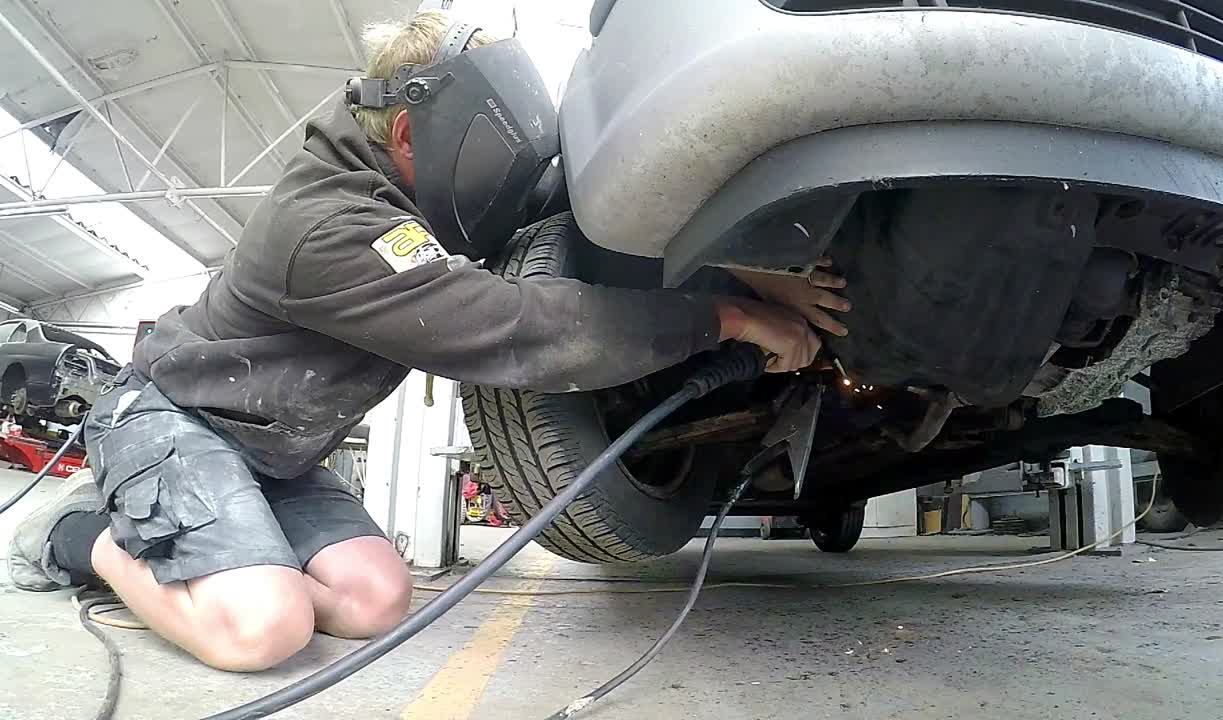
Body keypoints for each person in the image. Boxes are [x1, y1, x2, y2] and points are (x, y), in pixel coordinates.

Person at [6, 9, 849, 672]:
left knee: (374, 601)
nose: (500, 184)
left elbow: (557, 210)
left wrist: (744, 272)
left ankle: (212, 549)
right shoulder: (326, 226)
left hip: (274, 452)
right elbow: (517, 326)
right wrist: (725, 320)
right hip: (176, 420)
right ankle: (86, 538)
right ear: (408, 137)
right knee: (261, 631)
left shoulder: (415, 202)